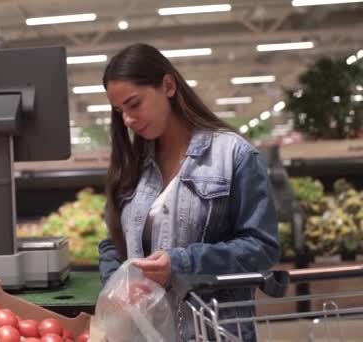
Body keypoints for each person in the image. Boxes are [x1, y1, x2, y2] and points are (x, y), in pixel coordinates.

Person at [97, 43, 280, 341]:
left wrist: (182, 263)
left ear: (168, 86)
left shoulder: (233, 155)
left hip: (212, 331)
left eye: (134, 104)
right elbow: (112, 242)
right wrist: (115, 284)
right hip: (143, 332)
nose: (127, 120)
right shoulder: (131, 165)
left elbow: (262, 248)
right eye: (120, 111)